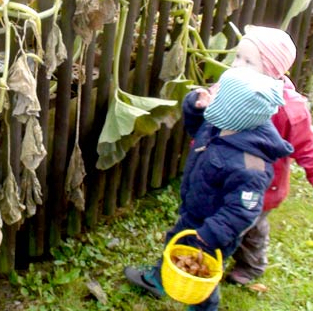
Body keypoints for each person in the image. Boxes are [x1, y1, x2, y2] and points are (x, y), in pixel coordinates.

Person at [124, 67, 293, 311]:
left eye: (217, 94)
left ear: (233, 110)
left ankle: (203, 306)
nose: (211, 91)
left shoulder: (251, 165)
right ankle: (160, 280)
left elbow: (243, 211)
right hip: (195, 212)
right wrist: (196, 106)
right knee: (175, 243)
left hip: (213, 230)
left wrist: (212, 233)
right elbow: (196, 128)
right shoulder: (221, 126)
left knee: (203, 273)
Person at [226, 25, 313, 285]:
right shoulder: (233, 88)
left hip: (265, 185)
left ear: (271, 70)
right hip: (232, 174)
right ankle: (250, 263)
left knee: (236, 224)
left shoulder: (289, 109)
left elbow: (308, 145)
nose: (237, 65)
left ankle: (220, 261)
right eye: (237, 57)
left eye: (248, 61)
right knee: (250, 225)